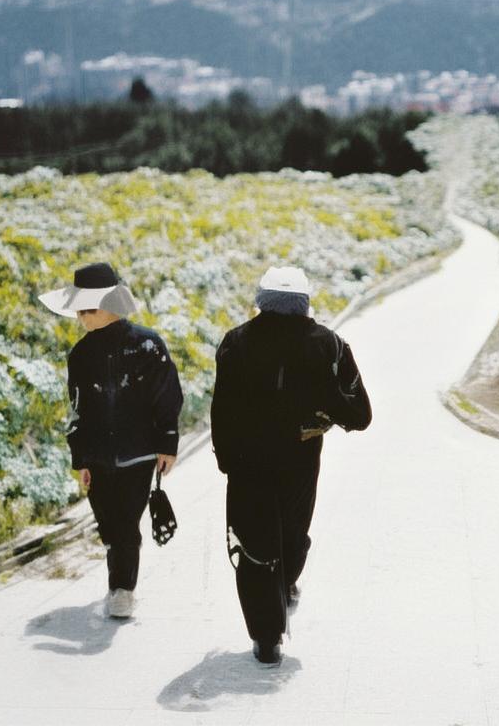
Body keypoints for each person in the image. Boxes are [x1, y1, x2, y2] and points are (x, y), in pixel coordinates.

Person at [211, 265, 371, 665]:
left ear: (261, 301)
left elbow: (221, 409)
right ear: (304, 303)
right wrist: (325, 417)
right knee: (293, 536)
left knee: (253, 546)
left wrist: (227, 460)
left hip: (247, 462)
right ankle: (284, 586)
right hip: (300, 460)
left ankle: (266, 638)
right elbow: (359, 413)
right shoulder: (329, 344)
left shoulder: (235, 342)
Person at [39, 262, 183, 620]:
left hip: (140, 454)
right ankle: (119, 581)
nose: (81, 317)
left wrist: (167, 444)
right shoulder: (81, 354)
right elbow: (78, 410)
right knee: (108, 525)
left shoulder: (149, 345)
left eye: (87, 309)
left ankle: (122, 590)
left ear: (109, 306)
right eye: (79, 310)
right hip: (98, 455)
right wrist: (81, 459)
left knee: (125, 525)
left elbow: (168, 397)